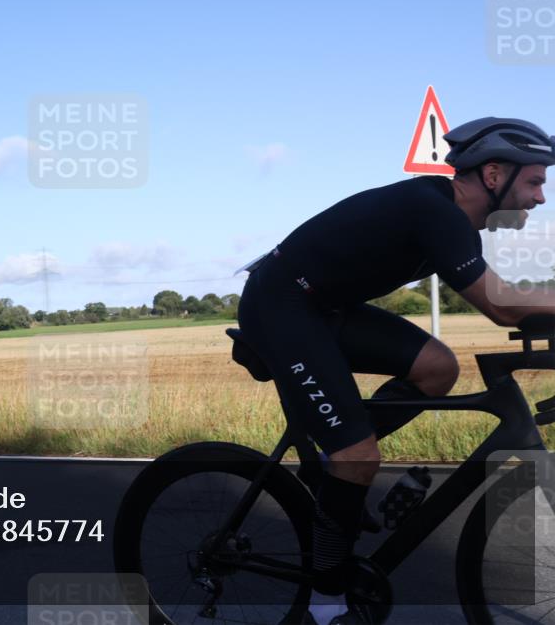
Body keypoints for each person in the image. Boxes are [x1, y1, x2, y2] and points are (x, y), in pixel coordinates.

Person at [235, 117, 555, 624]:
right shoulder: (436, 212)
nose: (541, 197)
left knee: (437, 367)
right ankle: (326, 604)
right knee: (357, 456)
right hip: (280, 304)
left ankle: (334, 460)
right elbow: (504, 307)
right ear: (494, 174)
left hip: (325, 307)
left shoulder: (452, 214)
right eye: (536, 181)